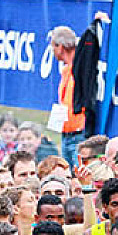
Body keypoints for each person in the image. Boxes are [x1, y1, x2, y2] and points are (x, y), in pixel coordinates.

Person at [49, 26, 86, 166]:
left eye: (53, 46)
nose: (52, 50)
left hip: (79, 134)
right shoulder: (66, 70)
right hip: (67, 133)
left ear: (60, 47)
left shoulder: (81, 66)